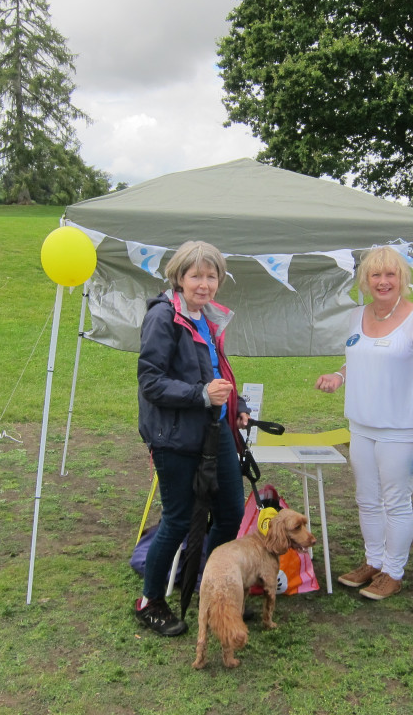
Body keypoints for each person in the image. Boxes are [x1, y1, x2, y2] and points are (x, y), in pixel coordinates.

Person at [135, 240, 251, 637]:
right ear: (179, 277)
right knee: (179, 519)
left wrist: (236, 404)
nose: (204, 284)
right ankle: (150, 601)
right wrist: (200, 395)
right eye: (195, 275)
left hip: (215, 432)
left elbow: (215, 370)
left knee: (230, 514)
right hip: (175, 436)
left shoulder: (206, 316)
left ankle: (207, 585)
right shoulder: (164, 316)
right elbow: (151, 382)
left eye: (211, 276)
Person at [316, 246, 413, 600]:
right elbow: (356, 359)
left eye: (390, 274)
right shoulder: (357, 315)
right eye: (375, 275)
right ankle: (373, 561)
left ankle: (393, 572)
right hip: (361, 426)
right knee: (367, 499)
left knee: (396, 501)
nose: (383, 282)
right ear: (365, 280)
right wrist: (339, 376)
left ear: (403, 278)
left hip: (400, 430)